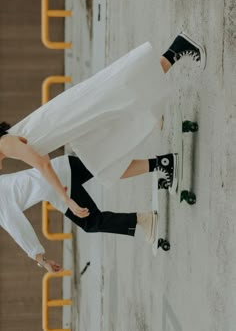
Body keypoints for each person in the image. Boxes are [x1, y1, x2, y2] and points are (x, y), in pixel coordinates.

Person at [0, 32, 206, 219]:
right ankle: (163, 163)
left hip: (73, 114)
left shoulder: (4, 144)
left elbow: (43, 165)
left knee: (124, 90)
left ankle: (177, 48)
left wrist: (65, 199)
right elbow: (43, 158)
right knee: (104, 166)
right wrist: (60, 190)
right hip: (75, 125)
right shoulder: (8, 147)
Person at [0, 154, 170, 273]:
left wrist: (41, 260)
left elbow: (18, 229)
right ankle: (161, 163)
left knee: (92, 221)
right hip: (58, 169)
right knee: (108, 171)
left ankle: (143, 219)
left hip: (58, 183)